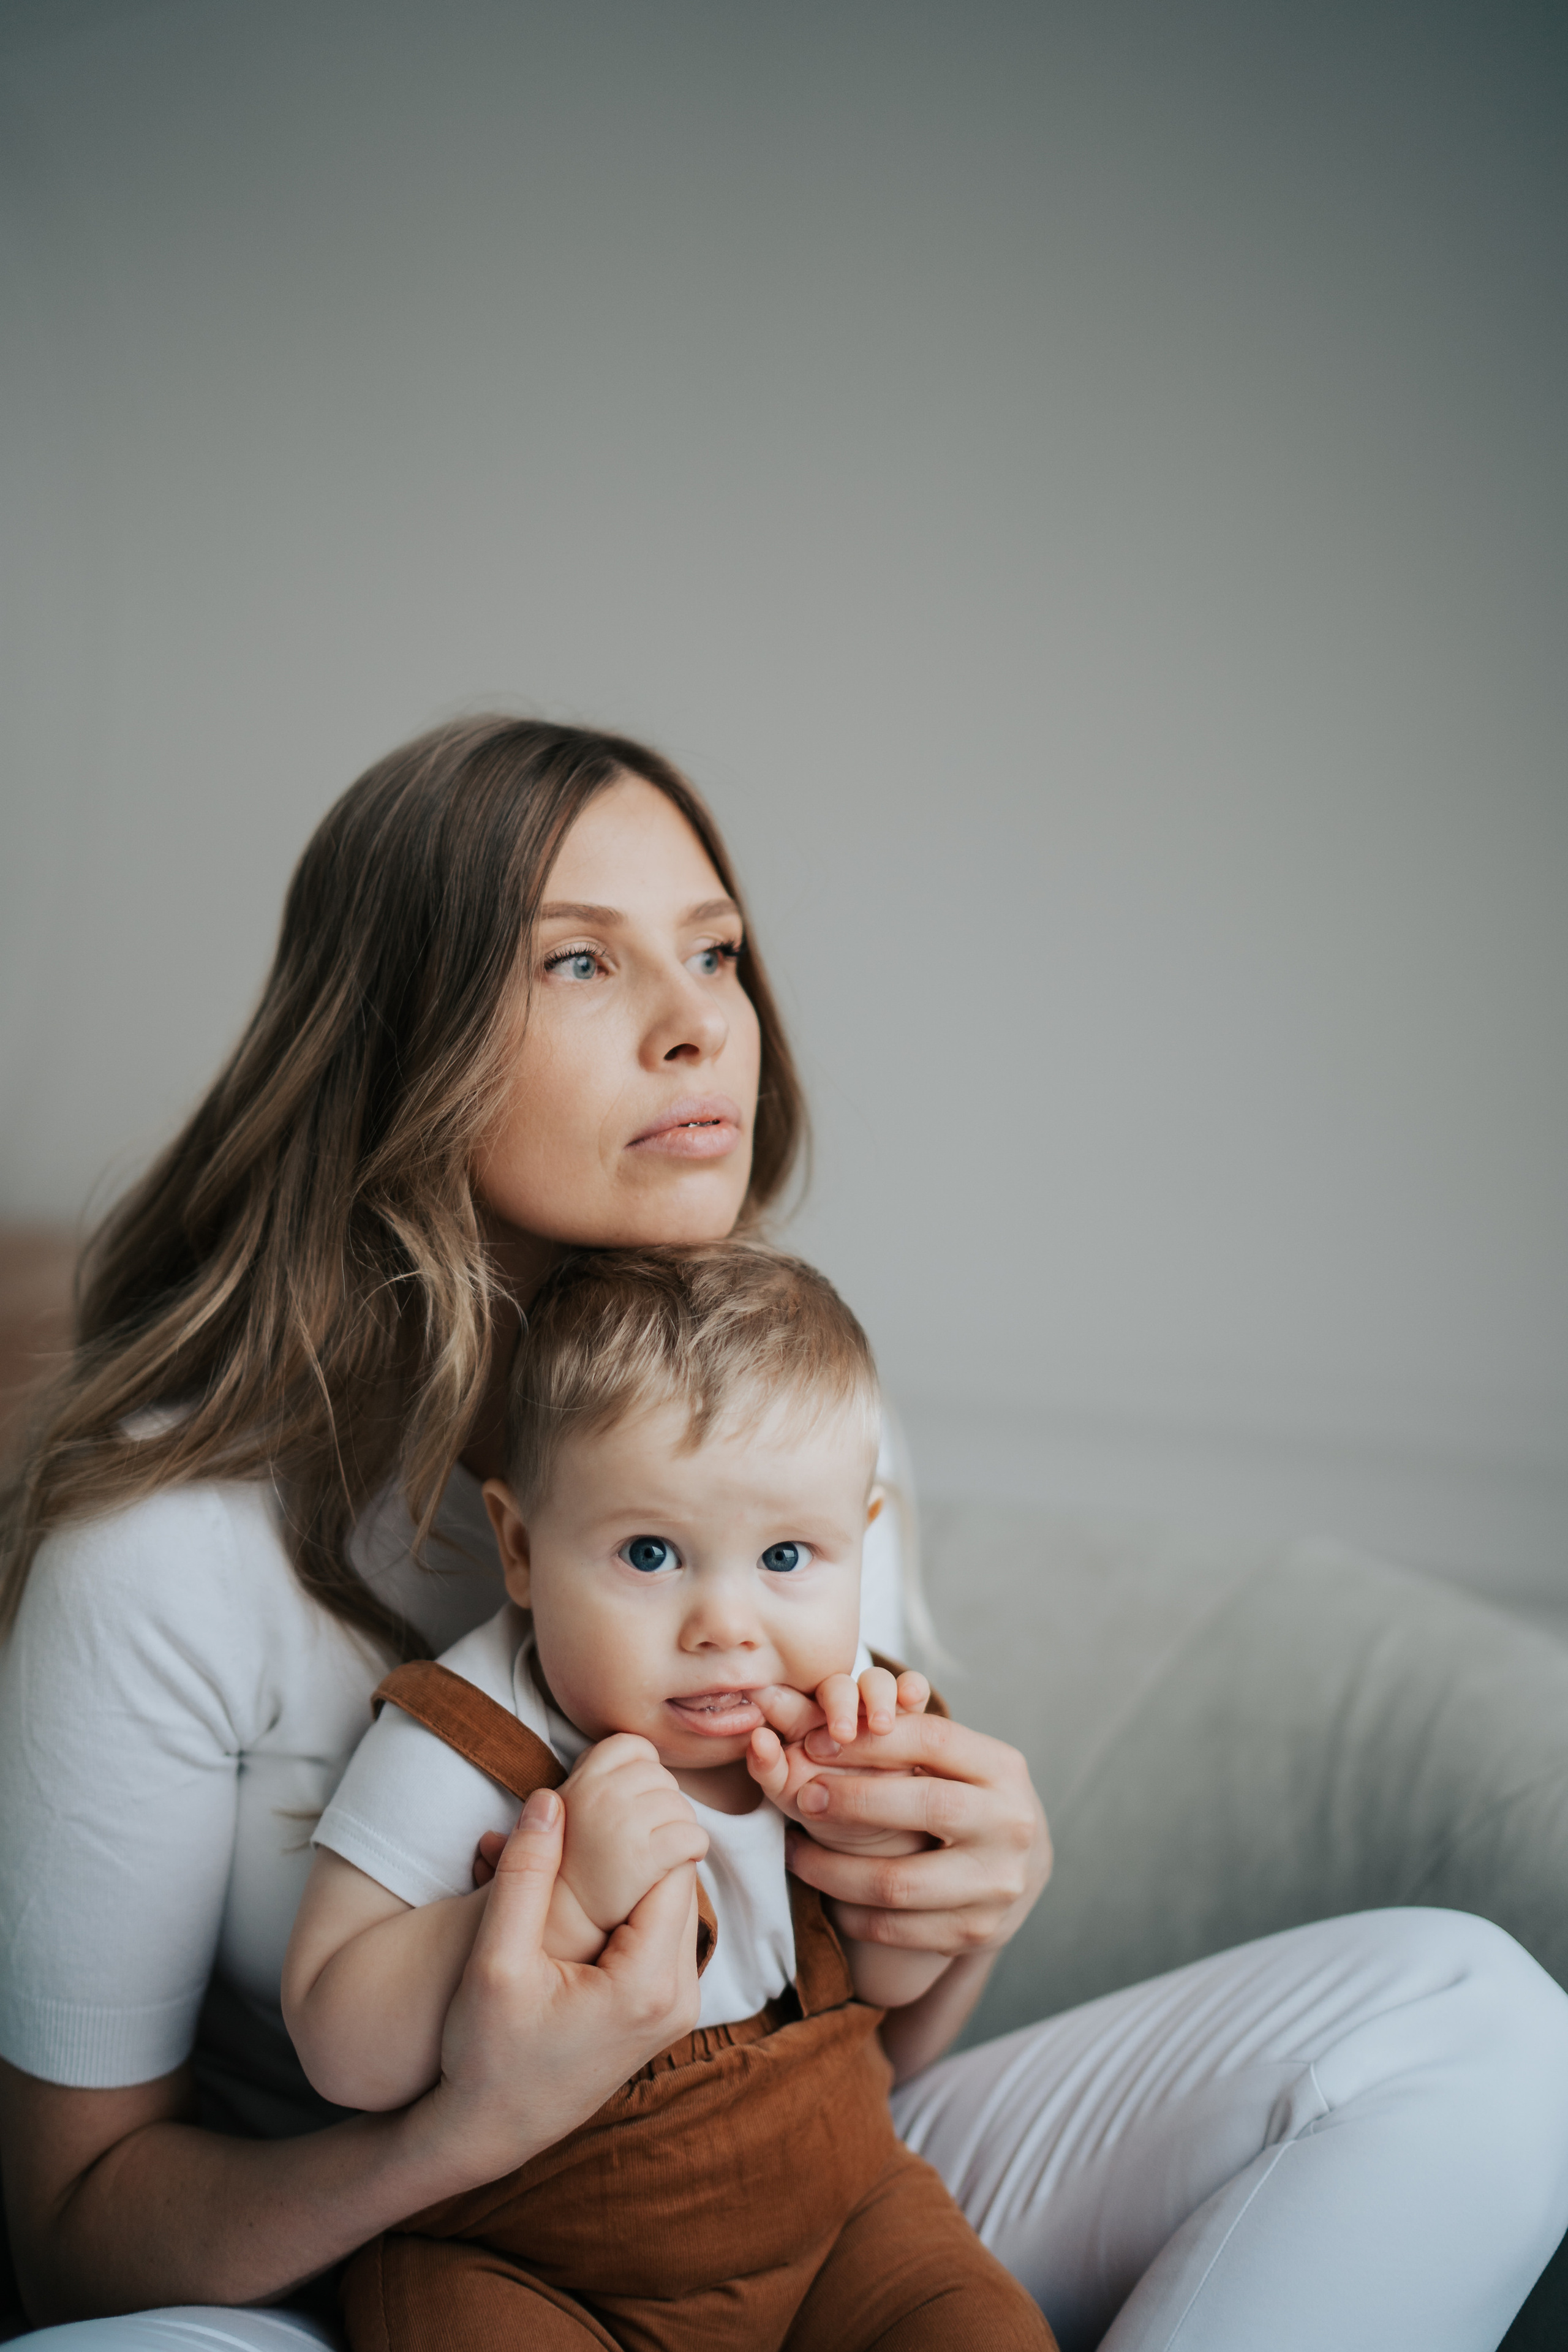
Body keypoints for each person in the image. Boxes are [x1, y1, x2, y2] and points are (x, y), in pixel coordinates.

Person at [1, 715, 1566, 2352]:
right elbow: (72, 2241)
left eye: (717, 950)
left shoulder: (807, 1431)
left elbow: (840, 2050)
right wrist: (458, 2130)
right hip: (381, 2279)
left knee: (1480, 2019)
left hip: (794, 2201)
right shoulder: (162, 1552)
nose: (700, 1028)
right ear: (393, 1043)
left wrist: (944, 1920)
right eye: (582, 966)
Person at [283, 1240, 1054, 2350]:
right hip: (525, 2260)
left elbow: (882, 1994)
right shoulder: (463, 1739)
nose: (728, 1627)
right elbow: (340, 2051)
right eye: (651, 1553)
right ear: (518, 1546)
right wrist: (559, 1904)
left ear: (863, 1545)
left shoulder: (855, 1722)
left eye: (788, 1558)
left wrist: (909, 1873)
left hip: (840, 2223)